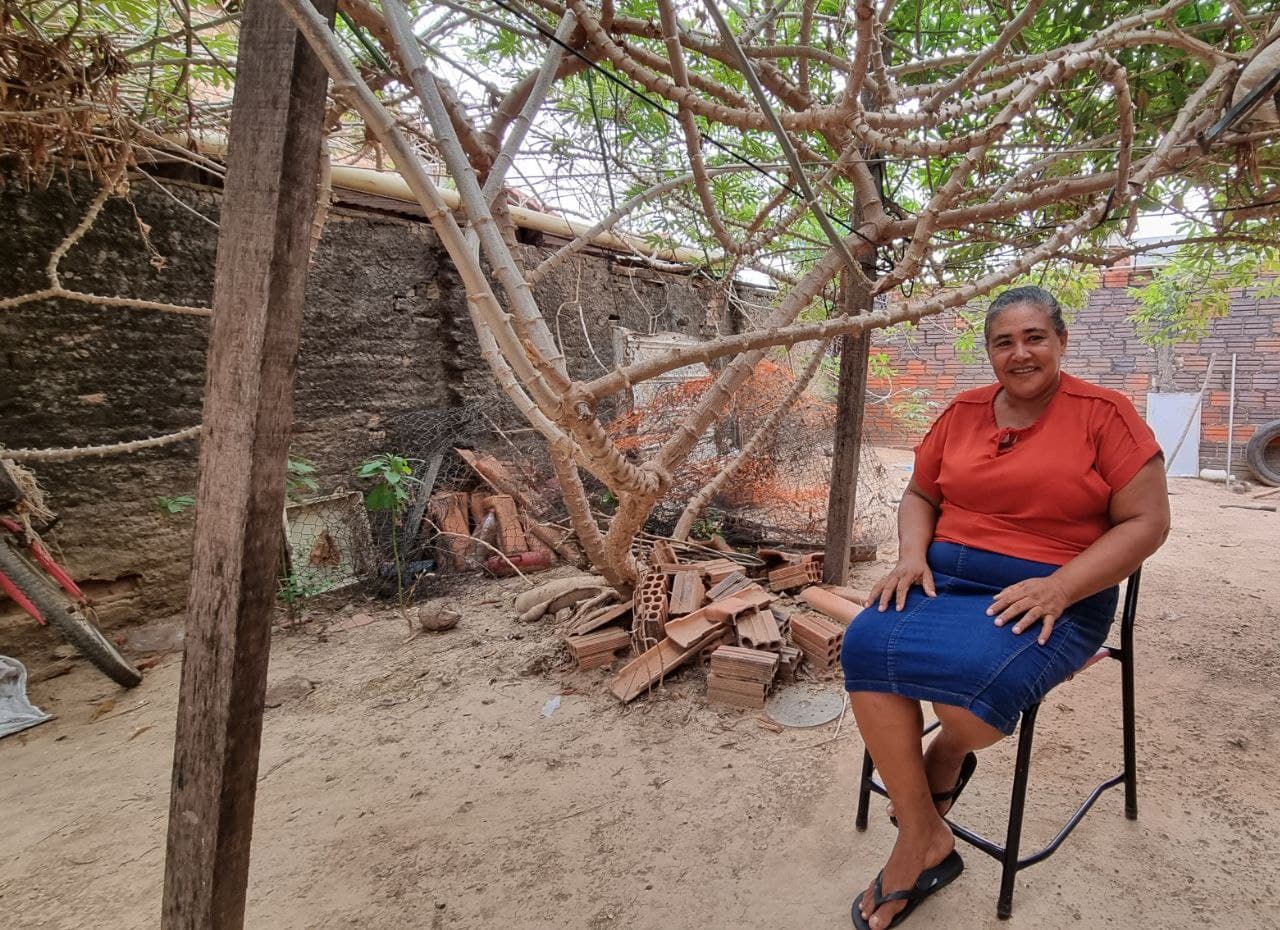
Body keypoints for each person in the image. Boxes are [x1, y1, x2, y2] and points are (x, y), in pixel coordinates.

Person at [840, 286, 1171, 930]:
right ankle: (924, 838)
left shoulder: (1106, 415)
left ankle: (941, 759)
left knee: (968, 696)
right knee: (865, 642)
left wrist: (1062, 586)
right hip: (943, 579)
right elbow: (919, 495)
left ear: (1061, 342)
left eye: (1034, 337)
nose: (1019, 353)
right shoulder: (962, 411)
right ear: (990, 352)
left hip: (1053, 594)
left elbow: (1148, 523)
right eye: (1003, 342)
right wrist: (912, 555)